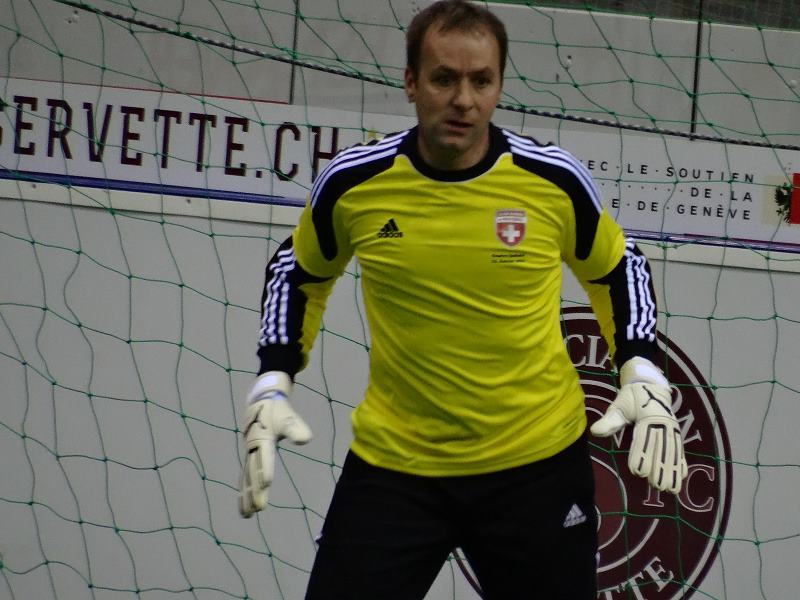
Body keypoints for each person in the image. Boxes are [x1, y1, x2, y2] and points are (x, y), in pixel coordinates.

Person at [238, 1, 688, 598]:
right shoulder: (355, 181)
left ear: (499, 85)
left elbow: (618, 268)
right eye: (444, 79)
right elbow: (298, 273)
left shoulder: (552, 180)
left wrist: (641, 369)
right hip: (397, 468)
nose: (464, 100)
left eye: (481, 81)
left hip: (536, 468)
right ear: (411, 82)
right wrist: (273, 379)